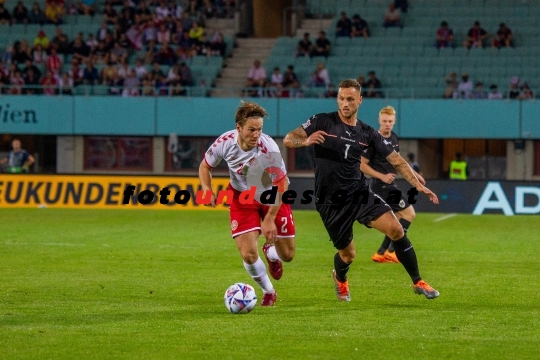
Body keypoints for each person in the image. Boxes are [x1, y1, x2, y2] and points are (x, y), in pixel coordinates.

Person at [283, 79, 440, 301]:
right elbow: (289, 139)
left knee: (396, 228)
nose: (344, 103)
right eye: (341, 98)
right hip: (330, 200)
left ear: (359, 100)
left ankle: (418, 281)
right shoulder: (322, 121)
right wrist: (307, 140)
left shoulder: (367, 133)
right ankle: (340, 277)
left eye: (349, 99)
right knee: (348, 255)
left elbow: (397, 160)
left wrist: (419, 185)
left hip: (359, 193)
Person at [199, 101, 296, 307]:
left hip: (272, 194)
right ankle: (268, 291)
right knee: (248, 254)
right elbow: (205, 166)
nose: (256, 134)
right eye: (251, 130)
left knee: (287, 255)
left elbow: (282, 183)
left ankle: (271, 252)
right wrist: (207, 190)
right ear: (239, 128)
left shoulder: (268, 148)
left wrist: (269, 218)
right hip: (242, 197)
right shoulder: (224, 143)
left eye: (259, 129)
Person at [360, 106, 426, 264]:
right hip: (380, 186)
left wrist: (415, 176)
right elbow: (361, 165)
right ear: (379, 121)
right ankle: (392, 250)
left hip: (389, 185)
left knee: (396, 218)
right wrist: (381, 176)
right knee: (409, 214)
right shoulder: (373, 140)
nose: (387, 124)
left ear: (394, 121)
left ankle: (382, 252)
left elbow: (397, 161)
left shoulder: (394, 138)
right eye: (384, 121)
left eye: (390, 121)